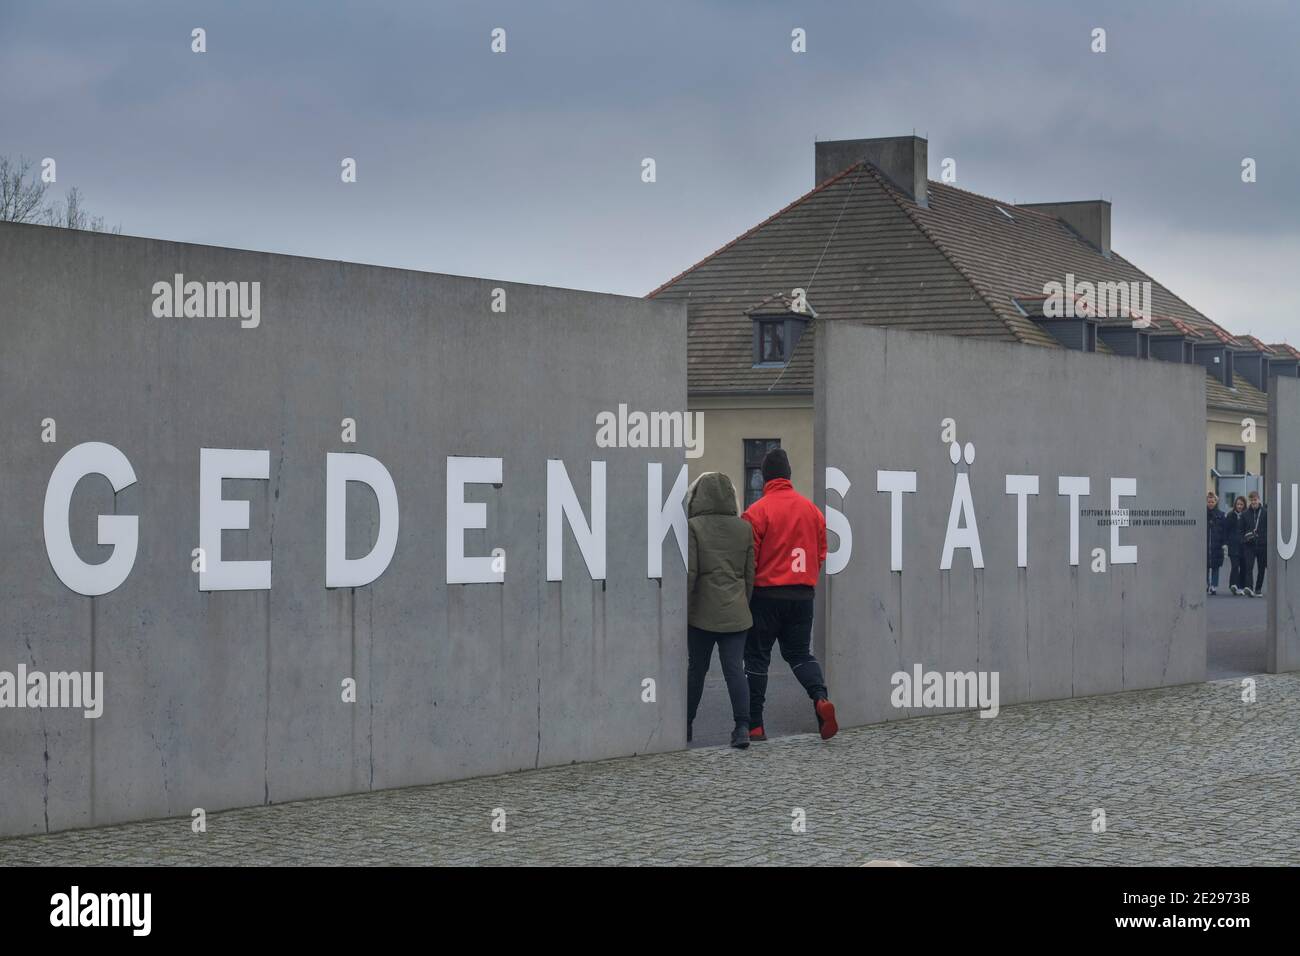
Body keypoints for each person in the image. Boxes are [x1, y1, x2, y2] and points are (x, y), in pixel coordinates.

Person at [740, 448, 838, 742]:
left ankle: (755, 725)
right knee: (799, 654)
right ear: (789, 475)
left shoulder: (756, 512)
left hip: (766, 596)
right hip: (802, 595)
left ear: (764, 476)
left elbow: (749, 560)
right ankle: (820, 698)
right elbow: (821, 552)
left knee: (757, 658)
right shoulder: (812, 511)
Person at [685, 472, 755, 750]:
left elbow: (691, 573)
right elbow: (750, 575)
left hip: (701, 614)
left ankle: (685, 724)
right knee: (735, 671)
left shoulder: (694, 527)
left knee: (696, 671)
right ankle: (742, 728)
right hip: (736, 613)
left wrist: (685, 610)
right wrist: (741, 602)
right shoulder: (744, 528)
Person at [1243, 490, 1268, 597]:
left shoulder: (1265, 513)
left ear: (1259, 500)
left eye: (1255, 499)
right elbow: (1241, 530)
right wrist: (1244, 539)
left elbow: (1269, 528)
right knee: (1248, 567)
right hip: (1249, 545)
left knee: (1261, 568)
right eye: (1252, 500)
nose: (1253, 502)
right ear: (1250, 501)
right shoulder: (1245, 514)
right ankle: (1250, 587)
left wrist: (1265, 538)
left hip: (1262, 544)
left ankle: (1258, 589)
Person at [1225, 495, 1249, 595]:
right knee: (1235, 566)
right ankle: (1233, 585)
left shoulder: (1246, 515)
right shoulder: (1230, 515)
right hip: (1233, 544)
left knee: (1243, 566)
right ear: (1235, 504)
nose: (1239, 506)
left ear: (1244, 506)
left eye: (1241, 504)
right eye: (1238, 504)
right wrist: (1226, 543)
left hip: (1244, 545)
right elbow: (1226, 530)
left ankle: (1241, 586)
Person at [1205, 491, 1225, 595]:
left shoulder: (1221, 515)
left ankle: (1214, 586)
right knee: (1205, 567)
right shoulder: (1203, 514)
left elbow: (1224, 530)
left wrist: (1223, 542)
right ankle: (1206, 584)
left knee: (1215, 567)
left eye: (1212, 502)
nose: (1210, 503)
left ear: (1216, 502)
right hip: (1205, 544)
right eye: (1209, 502)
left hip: (1217, 545)